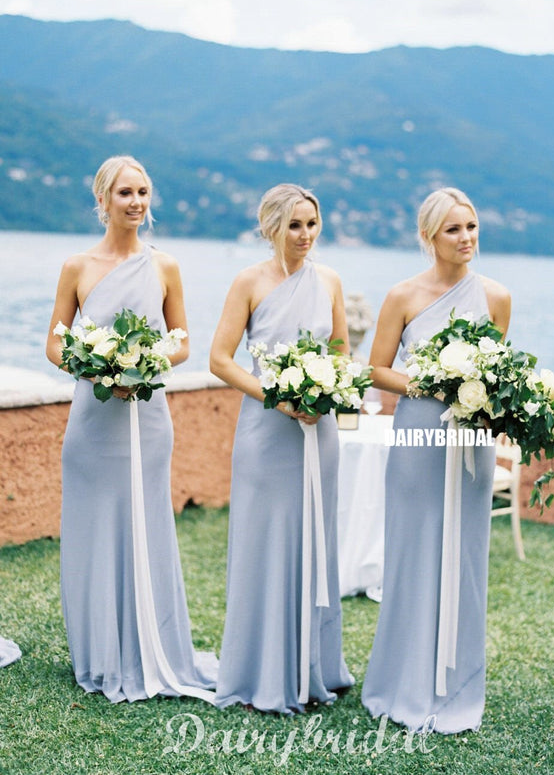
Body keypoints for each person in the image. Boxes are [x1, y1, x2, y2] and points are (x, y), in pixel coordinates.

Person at [46, 155, 217, 703]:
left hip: (147, 418)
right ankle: (99, 653)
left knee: (147, 525)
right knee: (94, 528)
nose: (136, 202)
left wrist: (143, 364)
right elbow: (55, 343)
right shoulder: (77, 267)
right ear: (103, 200)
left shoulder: (165, 266)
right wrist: (98, 368)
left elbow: (182, 342)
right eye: (125, 193)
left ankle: (151, 647)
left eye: (143, 192)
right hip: (92, 421)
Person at [361, 187, 511, 733]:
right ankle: (401, 682)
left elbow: (496, 376)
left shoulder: (497, 297)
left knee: (464, 558)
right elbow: (377, 369)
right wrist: (435, 382)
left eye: (471, 227)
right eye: (453, 229)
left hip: (470, 442)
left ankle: (457, 685)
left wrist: (487, 399)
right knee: (413, 553)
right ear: (429, 236)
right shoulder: (402, 296)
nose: (466, 238)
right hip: (418, 435)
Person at [210, 183, 354, 713]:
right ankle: (261, 671)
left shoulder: (330, 280)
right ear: (271, 227)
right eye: (295, 225)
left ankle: (314, 667)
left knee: (315, 540)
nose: (305, 234)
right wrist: (278, 396)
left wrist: (326, 392)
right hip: (265, 433)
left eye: (312, 223)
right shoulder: (248, 281)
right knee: (264, 544)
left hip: (320, 432)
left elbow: (341, 350)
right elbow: (220, 359)